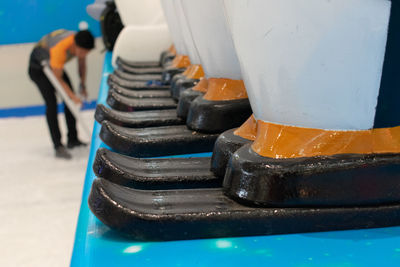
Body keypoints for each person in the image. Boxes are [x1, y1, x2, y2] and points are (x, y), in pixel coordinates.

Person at [28, 29, 95, 159]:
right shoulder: (60, 49)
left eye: (85, 53)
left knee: (69, 100)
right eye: (81, 52)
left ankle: (73, 139)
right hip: (38, 68)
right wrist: (73, 96)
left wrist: (83, 86)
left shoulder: (79, 41)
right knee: (52, 103)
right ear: (74, 45)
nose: (82, 55)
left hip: (51, 65)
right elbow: (57, 78)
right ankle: (58, 146)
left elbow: (81, 64)